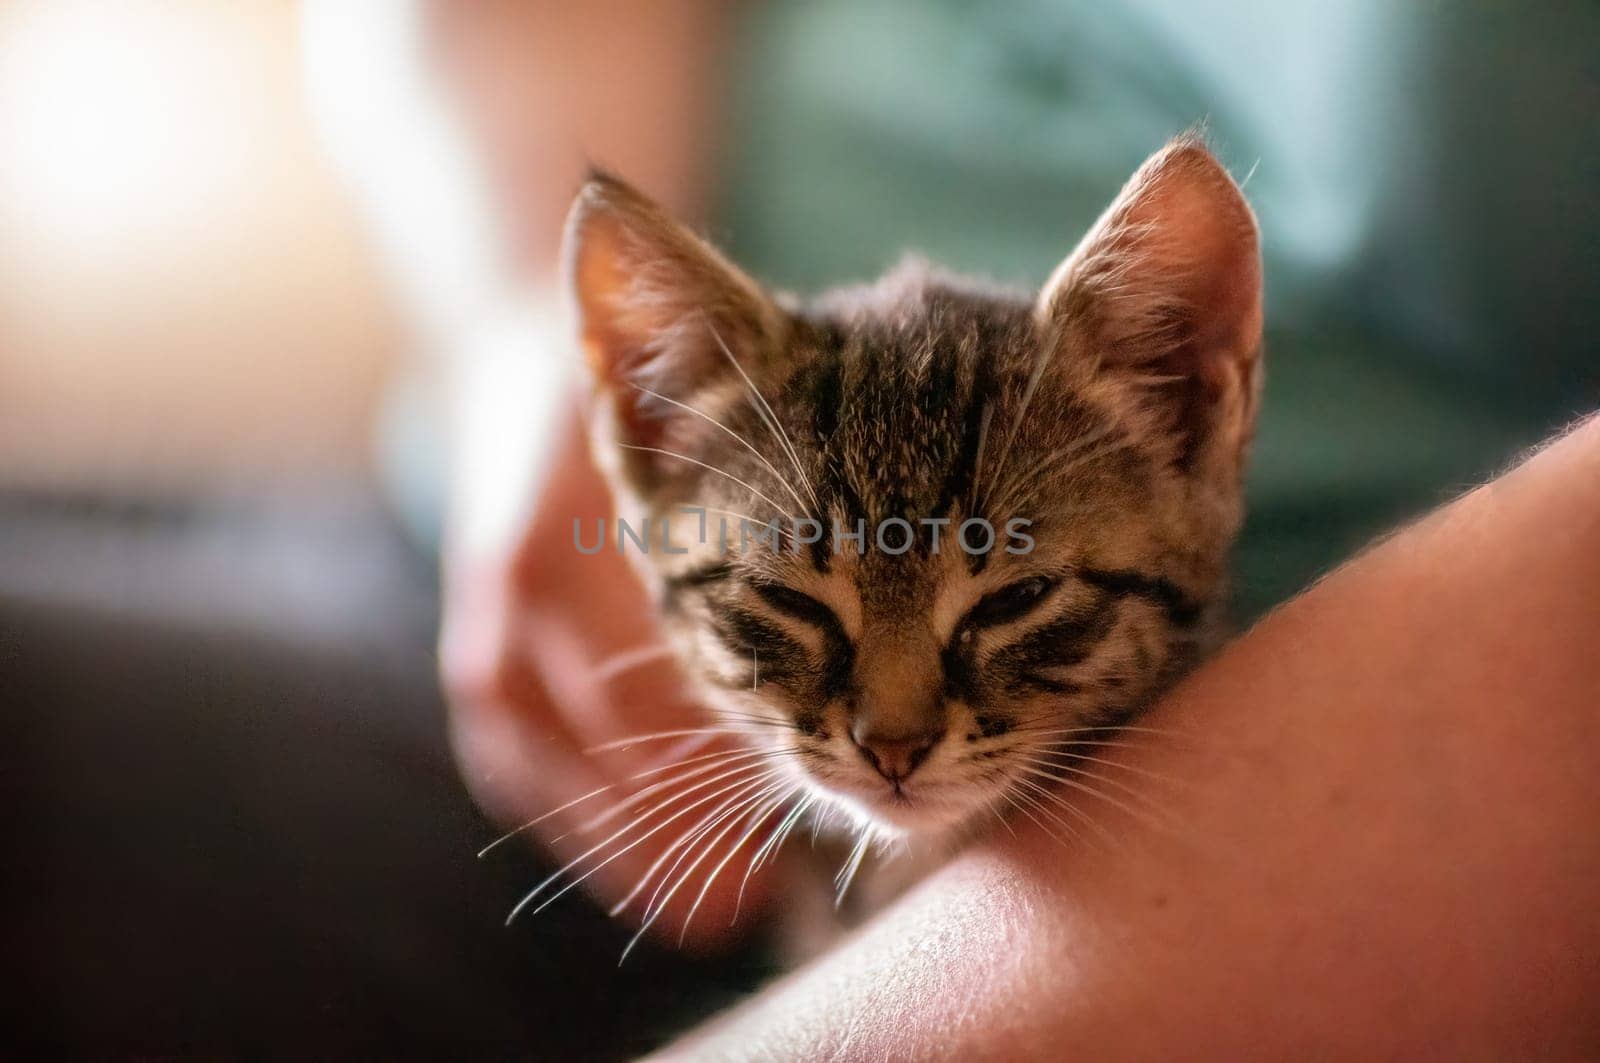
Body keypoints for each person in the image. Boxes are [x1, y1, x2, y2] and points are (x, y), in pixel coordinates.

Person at [304, 0, 1600, 1053]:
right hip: (488, 606)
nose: (894, 729)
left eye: (1013, 604)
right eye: (797, 614)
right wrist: (521, 331)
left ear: (1186, 408)